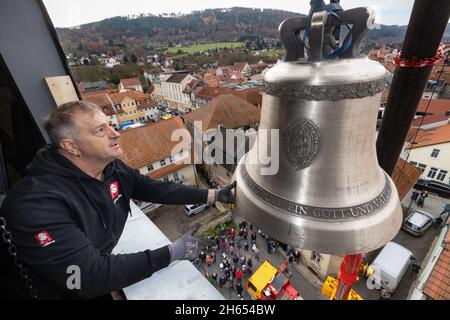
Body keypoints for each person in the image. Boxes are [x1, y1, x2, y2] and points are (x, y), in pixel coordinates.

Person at [0, 101, 237, 300]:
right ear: (71, 146)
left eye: (110, 125)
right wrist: (173, 252)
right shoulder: (36, 205)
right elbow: (87, 276)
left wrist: (214, 194)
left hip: (90, 275)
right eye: (100, 130)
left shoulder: (110, 168)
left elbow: (153, 189)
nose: (115, 134)